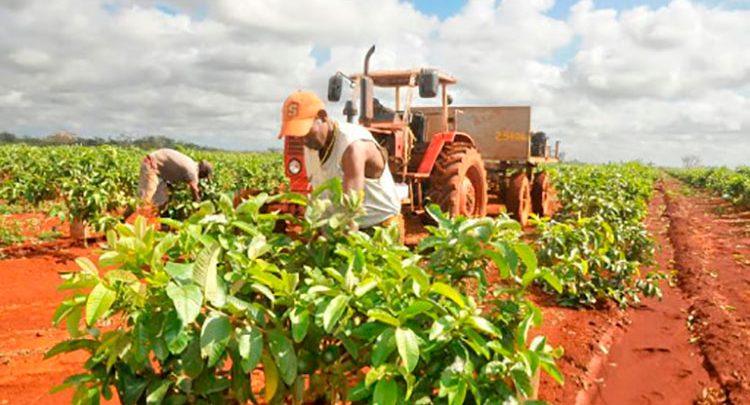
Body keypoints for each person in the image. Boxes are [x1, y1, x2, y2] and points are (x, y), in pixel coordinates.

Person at [278, 90, 404, 242]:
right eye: (297, 134)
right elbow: (321, 194)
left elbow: (349, 211)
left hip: (380, 229)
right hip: (338, 225)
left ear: (323, 117)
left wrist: (336, 248)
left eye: (305, 131)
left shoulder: (352, 146)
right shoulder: (311, 144)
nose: (302, 139)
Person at [138, 148, 213, 209]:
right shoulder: (193, 171)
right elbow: (194, 189)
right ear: (202, 172)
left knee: (160, 200)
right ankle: (133, 222)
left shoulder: (191, 164)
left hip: (159, 172)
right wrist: (198, 205)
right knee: (145, 199)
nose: (202, 179)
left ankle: (151, 222)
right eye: (204, 176)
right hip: (151, 165)